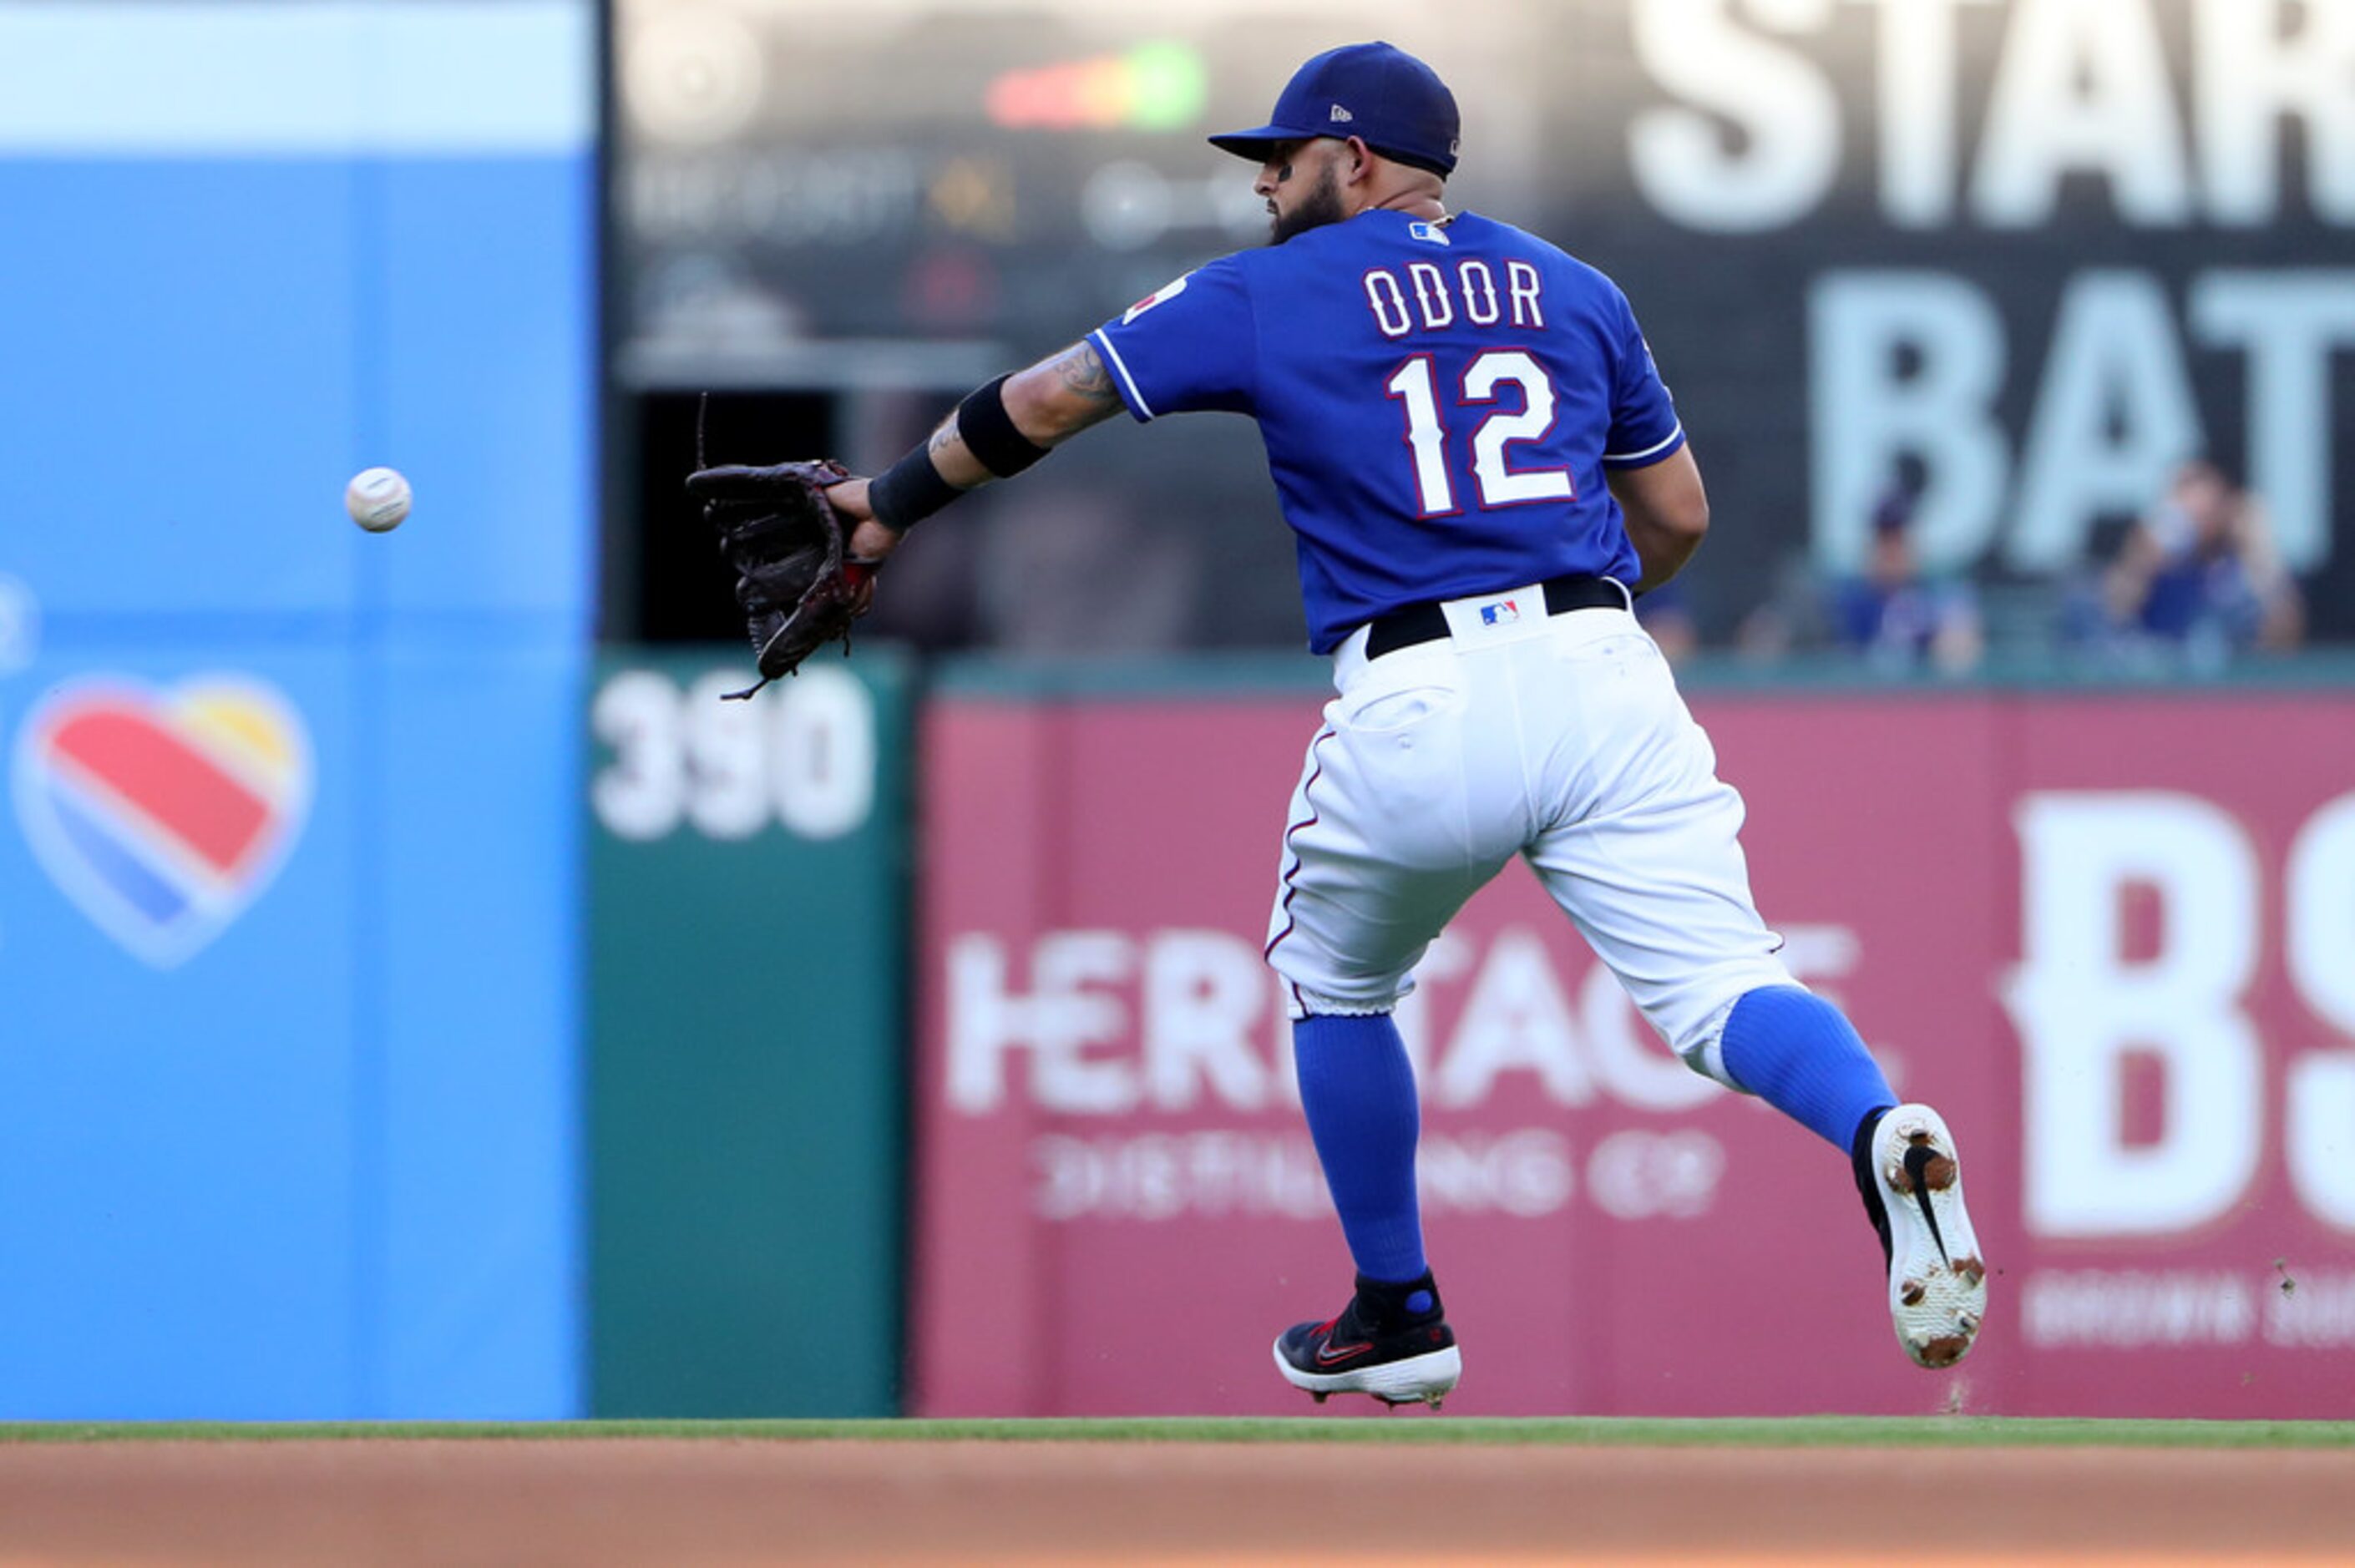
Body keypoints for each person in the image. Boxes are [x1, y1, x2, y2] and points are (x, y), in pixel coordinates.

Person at [814, 43, 1985, 1408]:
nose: (1264, 186)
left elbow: (1052, 394)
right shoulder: (1576, 287)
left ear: (1355, 159)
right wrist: (1576, 616)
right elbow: (1679, 520)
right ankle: (1876, 1125)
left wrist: (890, 498)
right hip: (1607, 665)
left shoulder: (1268, 288)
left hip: (1419, 684)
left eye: (1283, 158)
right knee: (1727, 988)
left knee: (1335, 976)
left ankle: (1398, 1307)